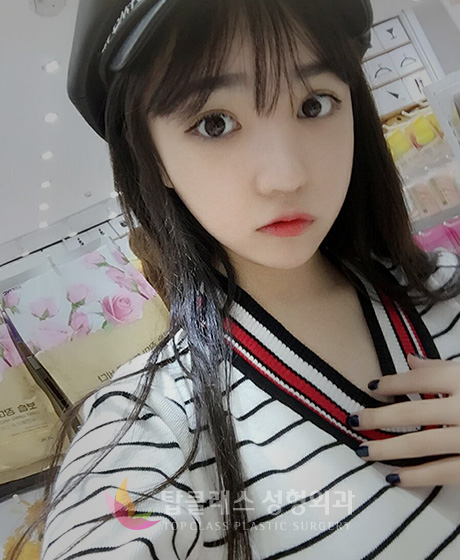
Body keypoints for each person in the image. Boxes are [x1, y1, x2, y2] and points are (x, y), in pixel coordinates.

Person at [9, 1, 460, 559]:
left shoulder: (449, 282)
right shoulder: (152, 430)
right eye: (214, 123)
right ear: (152, 157)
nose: (286, 176)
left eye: (314, 104)